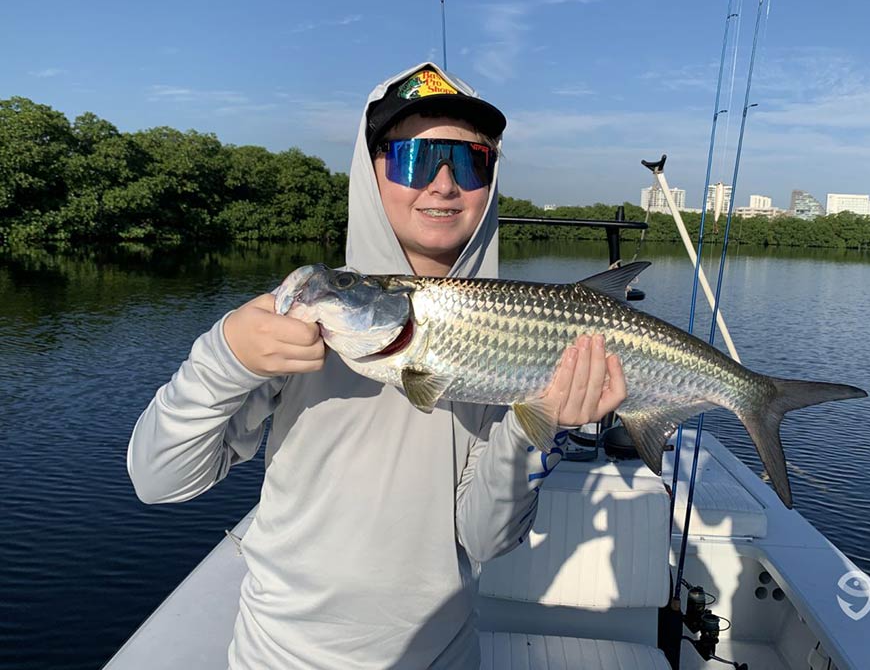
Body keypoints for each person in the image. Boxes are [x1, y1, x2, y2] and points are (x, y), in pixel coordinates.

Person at [127, 62, 627, 669]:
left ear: (491, 179)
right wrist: (225, 355)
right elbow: (159, 481)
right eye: (414, 160)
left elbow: (486, 538)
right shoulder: (295, 328)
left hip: (443, 655)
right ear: (369, 172)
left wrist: (537, 425)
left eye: (469, 161)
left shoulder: (509, 337)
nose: (443, 185)